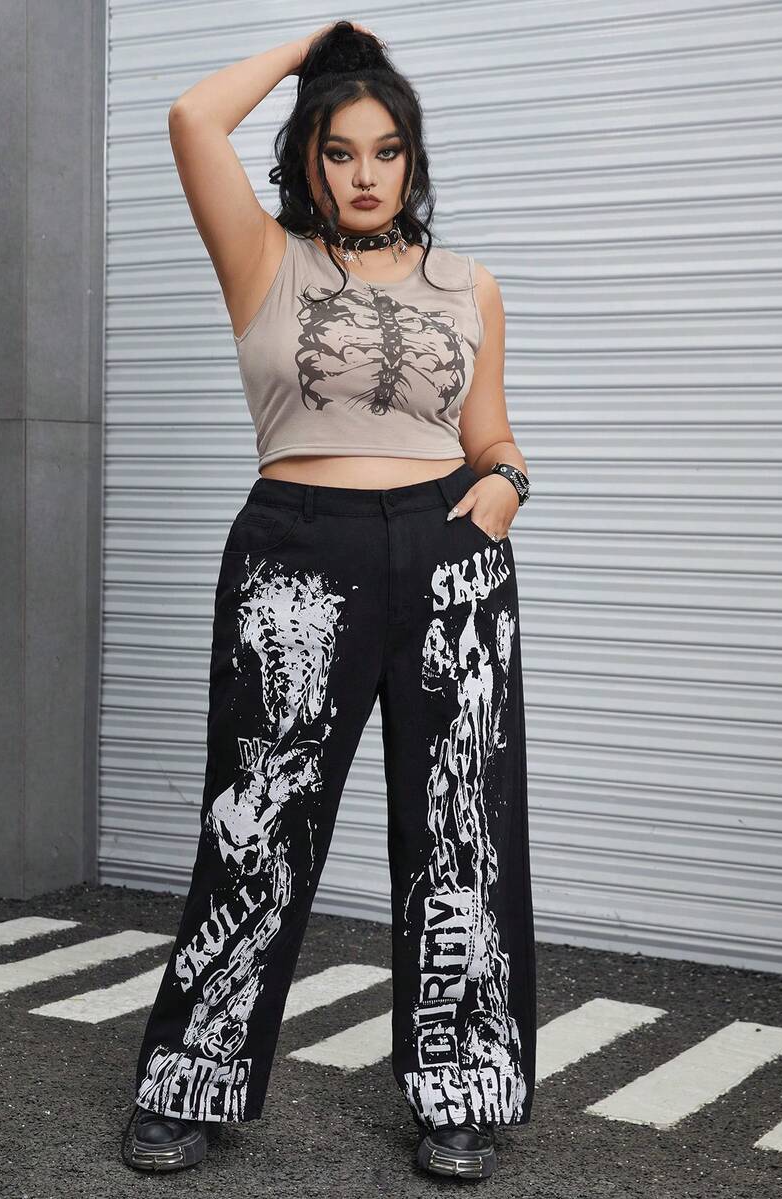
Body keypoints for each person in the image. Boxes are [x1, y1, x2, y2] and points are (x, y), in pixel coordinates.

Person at [120, 19, 535, 1183]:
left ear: (413, 160)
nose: (364, 173)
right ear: (309, 156)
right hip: (299, 553)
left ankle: (463, 1090)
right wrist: (312, 51)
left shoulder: (471, 284)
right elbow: (193, 118)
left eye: (386, 150)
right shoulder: (267, 259)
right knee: (257, 826)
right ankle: (191, 1081)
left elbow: (490, 433)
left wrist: (507, 483)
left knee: (462, 827)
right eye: (340, 150)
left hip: (451, 551)